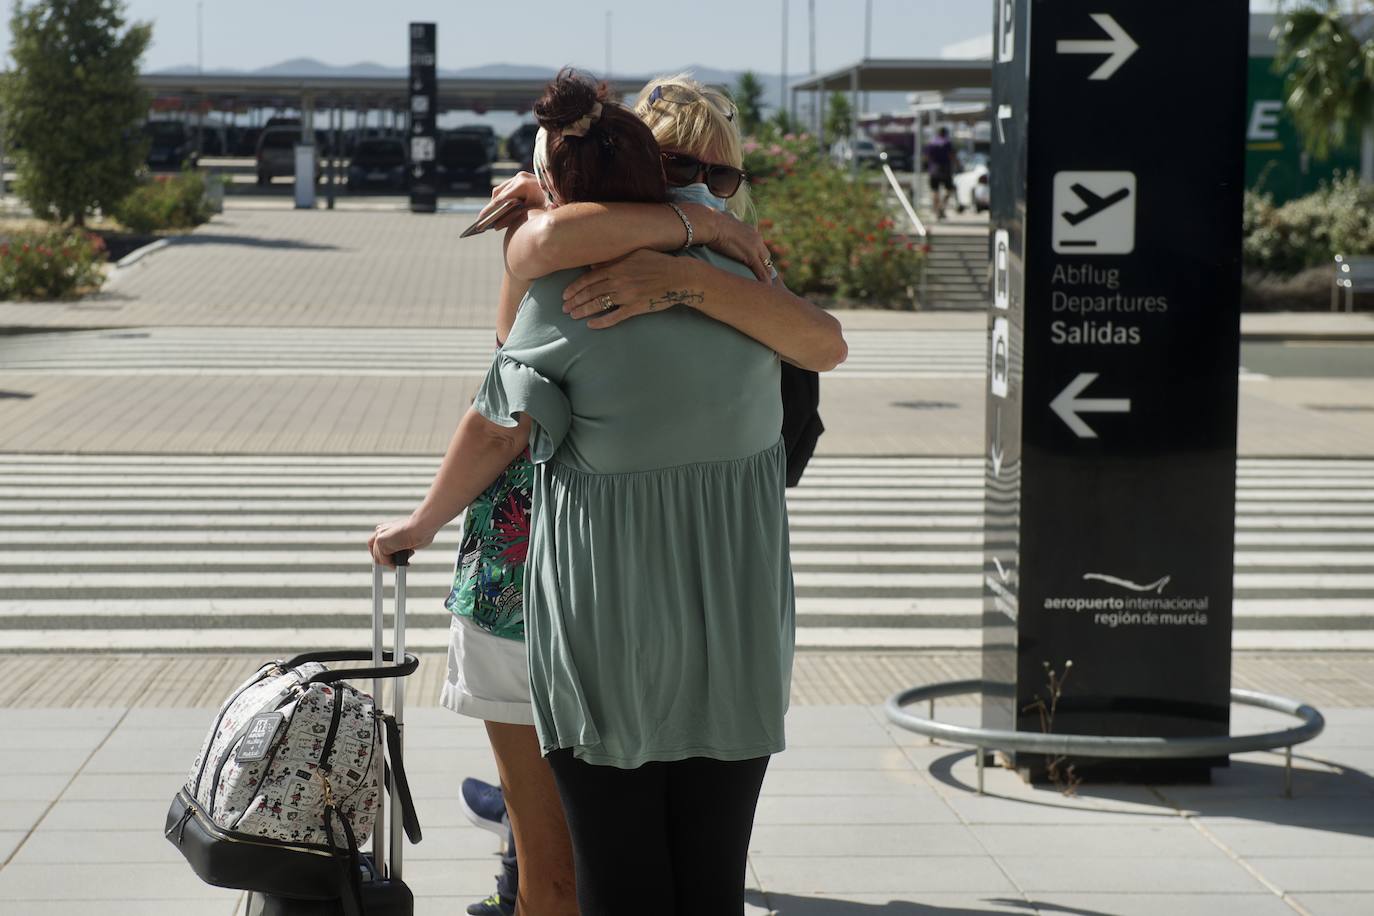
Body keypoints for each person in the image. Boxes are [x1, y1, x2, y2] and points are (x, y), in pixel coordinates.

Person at [371, 69, 826, 915]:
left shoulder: (574, 287)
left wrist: (421, 522)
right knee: (700, 882)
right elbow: (824, 347)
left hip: (602, 634)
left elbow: (500, 419)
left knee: (603, 881)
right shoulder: (752, 283)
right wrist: (701, 248)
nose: (707, 190)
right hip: (732, 628)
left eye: (718, 179)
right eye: (695, 174)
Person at [924, 125, 960, 219]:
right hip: (945, 169)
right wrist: (957, 165)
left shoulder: (931, 143)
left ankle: (936, 210)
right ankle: (941, 207)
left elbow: (927, 157)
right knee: (949, 189)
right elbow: (952, 155)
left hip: (933, 169)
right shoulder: (947, 143)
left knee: (935, 191)